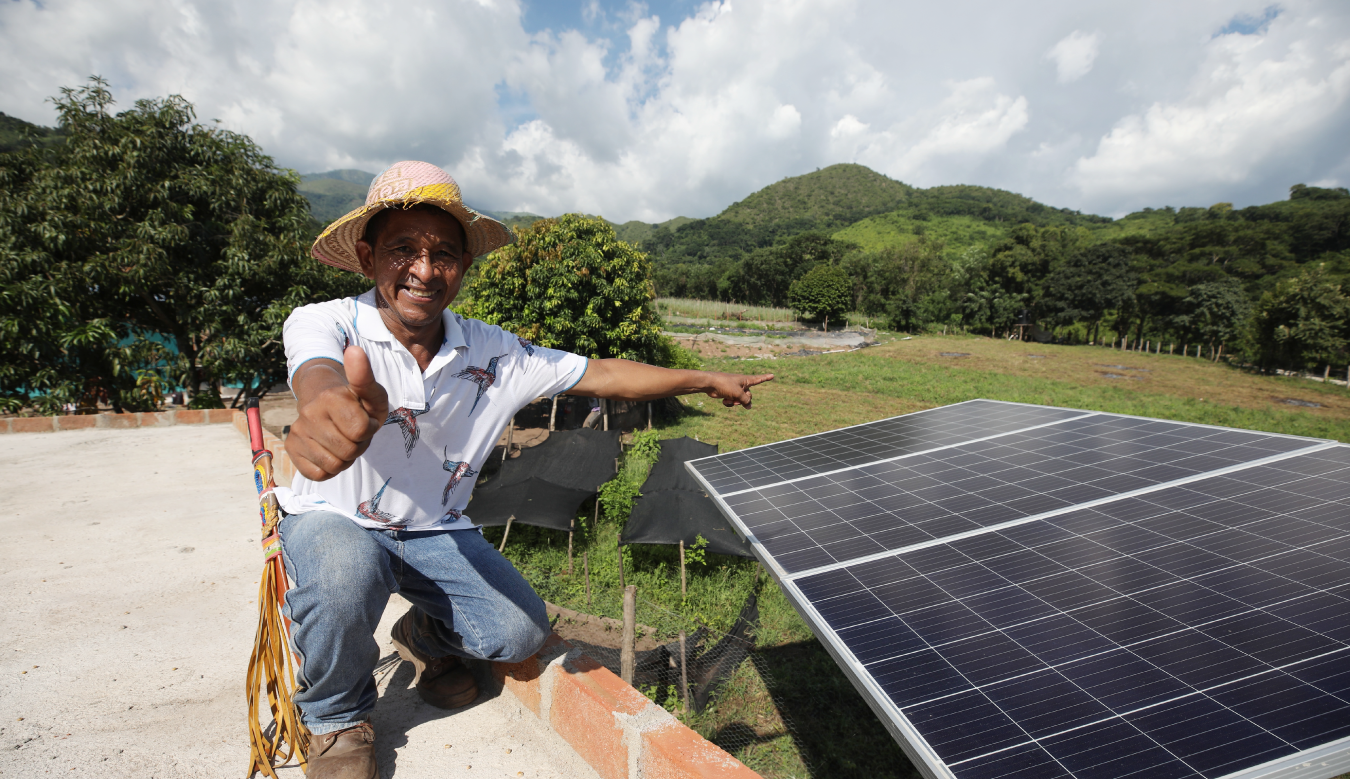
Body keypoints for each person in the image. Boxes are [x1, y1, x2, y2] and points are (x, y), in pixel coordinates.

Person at [276, 161, 772, 779]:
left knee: (518, 632)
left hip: (434, 529)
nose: (424, 271)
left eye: (444, 254)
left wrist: (704, 378)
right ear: (367, 256)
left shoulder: (497, 352)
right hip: (337, 520)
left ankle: (425, 635)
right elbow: (318, 373)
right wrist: (328, 405)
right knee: (344, 571)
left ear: (464, 264)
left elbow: (604, 373)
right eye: (403, 249)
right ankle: (336, 719)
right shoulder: (326, 322)